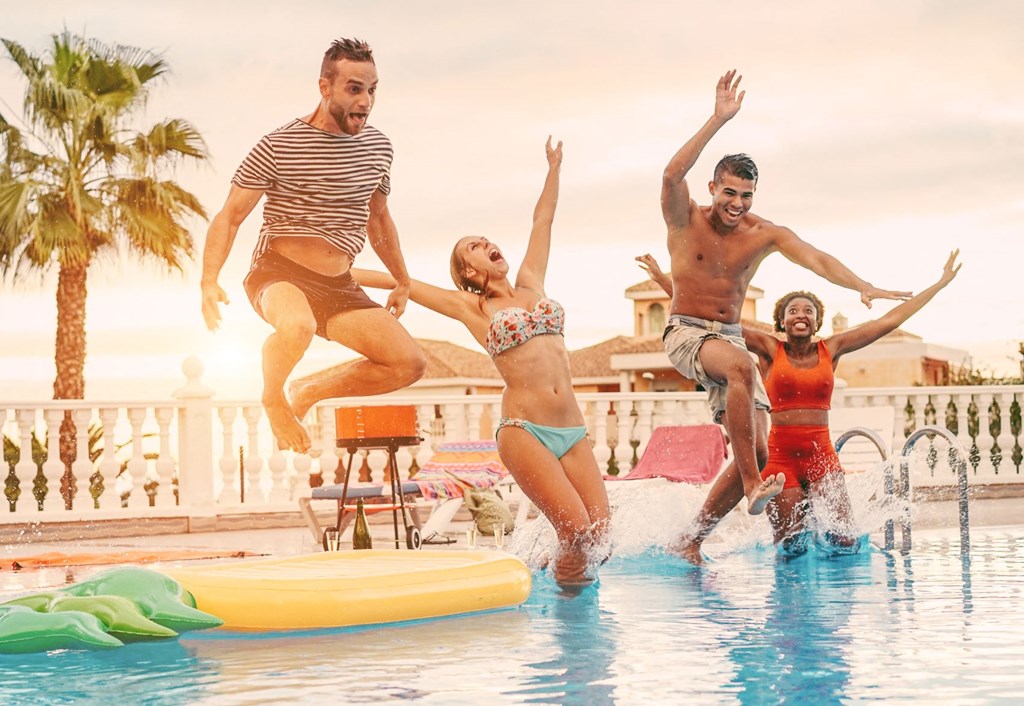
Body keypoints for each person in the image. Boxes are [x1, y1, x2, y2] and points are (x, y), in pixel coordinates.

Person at [353, 138, 610, 587]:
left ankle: (556, 593)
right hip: (524, 431)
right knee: (576, 531)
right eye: (474, 246)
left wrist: (554, 167)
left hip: (572, 428)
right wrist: (332, 275)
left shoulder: (532, 283)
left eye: (485, 239)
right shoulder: (472, 309)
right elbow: (401, 280)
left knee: (601, 536)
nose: (486, 243)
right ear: (469, 272)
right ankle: (570, 628)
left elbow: (542, 220)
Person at [659, 69, 912, 522]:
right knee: (741, 370)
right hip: (688, 333)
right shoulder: (684, 219)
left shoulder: (763, 234)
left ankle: (691, 540)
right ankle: (757, 484)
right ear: (713, 187)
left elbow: (816, 259)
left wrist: (861, 285)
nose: (737, 204)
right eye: (729, 193)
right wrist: (718, 119)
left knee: (755, 447)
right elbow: (672, 172)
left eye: (747, 196)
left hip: (729, 337)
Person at [638, 250, 961, 559]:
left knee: (844, 540)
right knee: (792, 546)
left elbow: (888, 321)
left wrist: (940, 283)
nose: (801, 315)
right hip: (780, 461)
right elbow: (703, 314)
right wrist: (662, 281)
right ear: (782, 320)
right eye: (793, 311)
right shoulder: (768, 349)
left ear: (817, 319)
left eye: (808, 310)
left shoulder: (832, 349)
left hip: (821, 457)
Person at [200, 38, 425, 454]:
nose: (366, 101)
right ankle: (273, 397)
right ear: (325, 87)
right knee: (298, 326)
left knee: (408, 362)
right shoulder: (279, 145)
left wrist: (401, 279)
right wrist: (208, 280)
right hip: (279, 273)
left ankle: (308, 390)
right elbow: (230, 215)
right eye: (354, 88)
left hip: (338, 285)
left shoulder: (378, 148)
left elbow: (378, 218)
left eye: (373, 89)